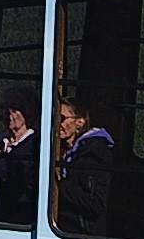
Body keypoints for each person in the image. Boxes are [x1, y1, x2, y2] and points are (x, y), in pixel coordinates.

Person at [50, 96, 120, 228]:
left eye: (62, 118)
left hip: (81, 230)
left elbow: (95, 204)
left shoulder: (93, 154)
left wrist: (58, 185)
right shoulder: (61, 150)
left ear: (80, 122)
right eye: (55, 117)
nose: (57, 122)